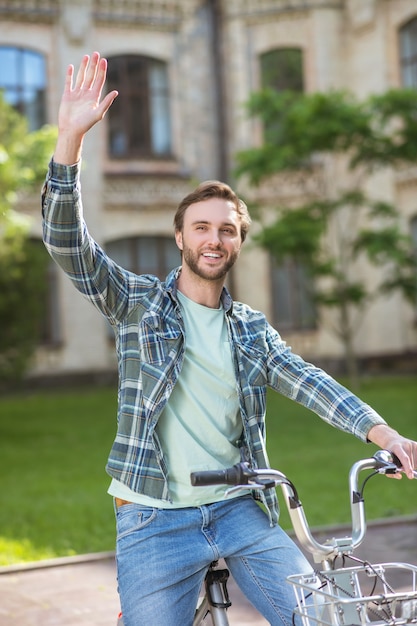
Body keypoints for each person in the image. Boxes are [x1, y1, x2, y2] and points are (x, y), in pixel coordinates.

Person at [42, 52, 417, 626]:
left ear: (238, 242)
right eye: (201, 227)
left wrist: (385, 432)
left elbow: (311, 382)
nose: (213, 239)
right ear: (180, 237)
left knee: (319, 617)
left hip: (241, 508)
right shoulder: (139, 303)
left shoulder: (251, 330)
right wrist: (69, 139)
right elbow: (70, 245)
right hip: (153, 516)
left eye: (226, 229)